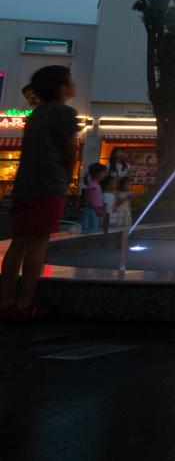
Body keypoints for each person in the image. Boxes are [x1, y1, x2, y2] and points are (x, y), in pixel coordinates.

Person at [0, 66, 80, 319]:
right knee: (38, 242)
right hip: (49, 185)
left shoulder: (35, 115)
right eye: (70, 81)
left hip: (24, 185)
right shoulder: (65, 113)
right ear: (62, 88)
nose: (74, 85)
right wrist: (67, 178)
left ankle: (5, 301)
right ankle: (25, 304)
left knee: (18, 242)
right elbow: (70, 150)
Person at [81, 163, 106, 232]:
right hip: (93, 209)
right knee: (93, 228)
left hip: (97, 209)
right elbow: (88, 198)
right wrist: (96, 209)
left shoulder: (97, 185)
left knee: (96, 227)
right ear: (97, 173)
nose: (104, 175)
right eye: (103, 173)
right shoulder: (92, 185)